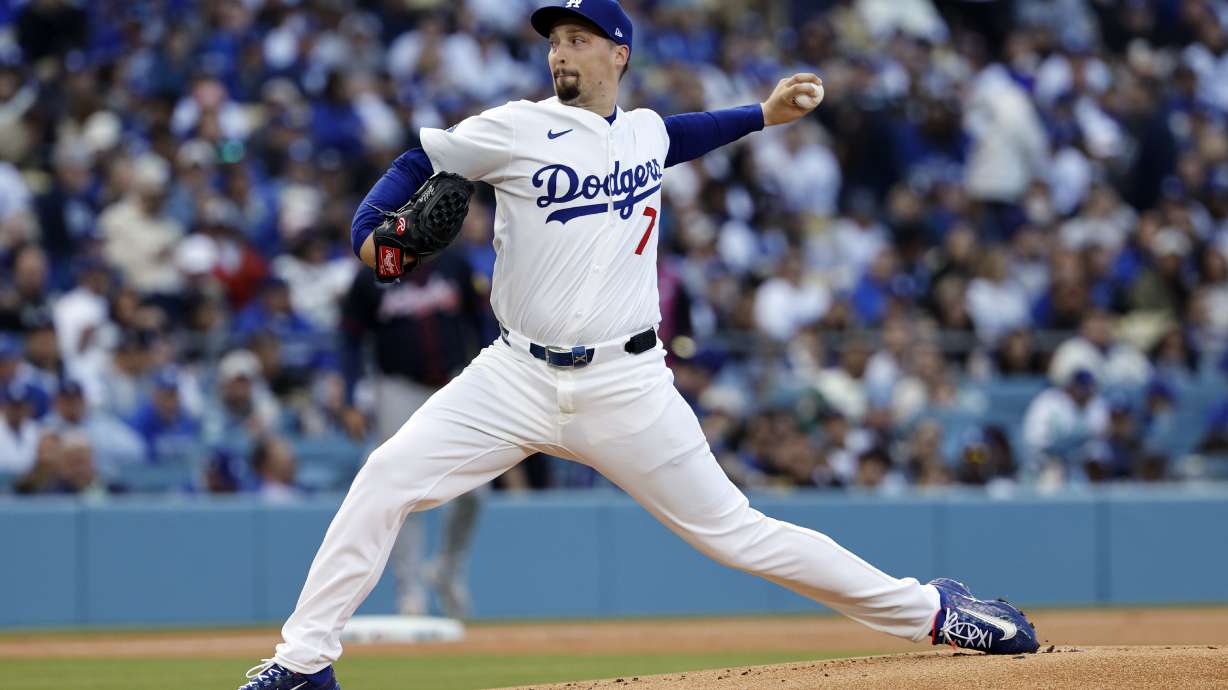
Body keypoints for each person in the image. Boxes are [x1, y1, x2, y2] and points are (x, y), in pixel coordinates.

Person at [241, 4, 1038, 688]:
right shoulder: (516, 128)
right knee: (384, 477)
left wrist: (762, 114)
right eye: (555, 38)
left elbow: (681, 135)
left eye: (580, 38)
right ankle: (304, 661)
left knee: (736, 533)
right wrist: (368, 237)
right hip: (513, 375)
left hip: (628, 385)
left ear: (618, 53)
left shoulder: (645, 134)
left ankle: (934, 611)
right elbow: (420, 157)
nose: (561, 50)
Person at [341, 249, 486, 620]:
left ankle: (448, 569)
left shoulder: (455, 263)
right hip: (397, 387)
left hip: (455, 381)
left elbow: (483, 323)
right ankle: (410, 593)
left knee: (475, 491)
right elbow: (350, 339)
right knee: (403, 490)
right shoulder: (373, 272)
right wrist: (350, 397)